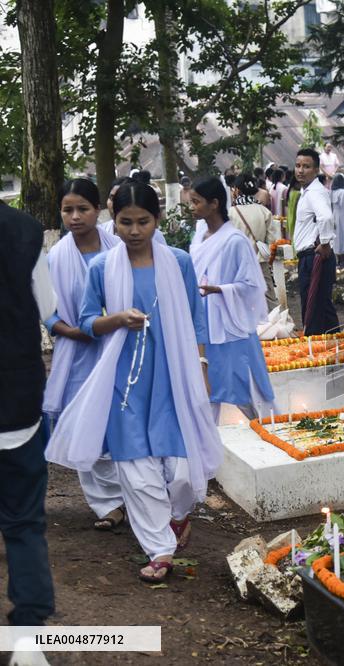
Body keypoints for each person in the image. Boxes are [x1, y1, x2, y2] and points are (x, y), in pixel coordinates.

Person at [47, 180, 222, 583]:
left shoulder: (178, 261)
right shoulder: (102, 267)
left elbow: (197, 318)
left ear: (157, 220)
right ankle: (159, 549)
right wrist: (117, 320)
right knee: (136, 469)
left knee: (179, 469)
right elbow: (88, 320)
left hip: (172, 373)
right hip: (123, 377)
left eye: (143, 221)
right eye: (125, 222)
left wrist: (202, 367)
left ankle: (178, 517)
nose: (134, 231)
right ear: (115, 221)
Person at [45, 179, 126, 532]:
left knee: (120, 422)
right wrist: (75, 331)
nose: (75, 217)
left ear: (99, 210)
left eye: (83, 209)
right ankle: (105, 503)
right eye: (68, 210)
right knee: (84, 422)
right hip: (78, 352)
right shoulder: (56, 257)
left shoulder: (120, 247)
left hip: (121, 346)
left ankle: (133, 495)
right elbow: (47, 311)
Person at [0, 197, 56, 630]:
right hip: (15, 395)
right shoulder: (26, 230)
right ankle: (28, 634)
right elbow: (50, 307)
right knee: (22, 522)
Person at [188, 177, 275, 422]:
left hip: (230, 321)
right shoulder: (198, 238)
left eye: (196, 202)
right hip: (205, 320)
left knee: (244, 380)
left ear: (214, 203)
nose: (191, 207)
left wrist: (220, 290)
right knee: (207, 383)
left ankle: (266, 426)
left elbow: (251, 285)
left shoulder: (235, 241)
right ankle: (208, 439)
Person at [292, 147, 341, 335]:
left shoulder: (314, 192)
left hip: (315, 257)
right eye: (297, 166)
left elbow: (326, 217)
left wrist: (326, 243)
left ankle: (318, 352)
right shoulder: (308, 191)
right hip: (310, 257)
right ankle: (335, 349)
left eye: (306, 166)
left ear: (316, 169)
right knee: (321, 306)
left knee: (314, 309)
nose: (300, 170)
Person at [230, 173, 281, 310]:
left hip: (238, 264)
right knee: (270, 299)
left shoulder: (230, 213)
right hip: (260, 263)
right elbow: (272, 241)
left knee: (242, 301)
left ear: (237, 190)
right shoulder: (264, 211)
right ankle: (276, 328)